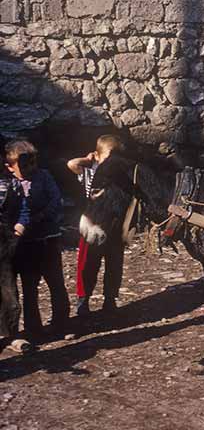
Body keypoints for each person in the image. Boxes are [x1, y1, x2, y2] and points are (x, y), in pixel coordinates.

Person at [5, 140, 69, 339]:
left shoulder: (44, 177)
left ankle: (61, 322)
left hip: (48, 237)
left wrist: (38, 218)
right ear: (10, 166)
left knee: (55, 280)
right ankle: (34, 328)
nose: (30, 168)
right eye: (24, 165)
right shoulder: (9, 184)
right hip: (25, 243)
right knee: (29, 286)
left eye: (32, 163)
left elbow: (55, 201)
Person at [68, 135, 125, 317]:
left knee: (114, 264)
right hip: (92, 224)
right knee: (87, 264)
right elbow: (71, 164)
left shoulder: (119, 174)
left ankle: (110, 299)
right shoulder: (90, 170)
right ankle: (83, 300)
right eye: (109, 157)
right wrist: (89, 159)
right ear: (97, 156)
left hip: (114, 225)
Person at [0, 161, 30, 353]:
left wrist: (20, 226)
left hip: (4, 241)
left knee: (8, 290)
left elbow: (23, 208)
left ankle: (9, 334)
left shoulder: (11, 183)